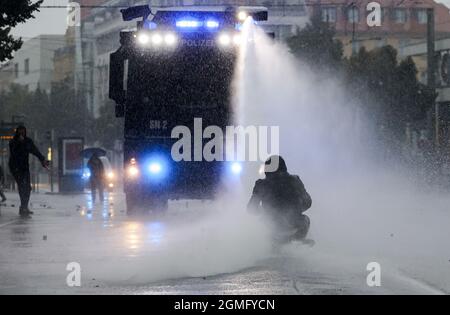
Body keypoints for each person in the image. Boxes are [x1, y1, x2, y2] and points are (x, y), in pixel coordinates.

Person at [248, 155, 312, 241]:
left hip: (271, 223)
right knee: (305, 220)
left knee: (261, 223)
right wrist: (296, 209)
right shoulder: (294, 180)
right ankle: (298, 243)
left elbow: (252, 208)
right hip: (294, 222)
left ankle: (293, 243)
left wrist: (265, 212)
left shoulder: (261, 184)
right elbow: (308, 202)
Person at [8, 126, 50, 217]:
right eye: (20, 132)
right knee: (22, 186)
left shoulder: (28, 141)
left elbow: (35, 151)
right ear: (17, 132)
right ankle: (23, 207)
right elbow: (13, 152)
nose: (22, 134)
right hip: (15, 167)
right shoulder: (13, 141)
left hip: (24, 167)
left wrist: (42, 159)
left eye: (23, 132)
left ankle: (24, 206)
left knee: (27, 188)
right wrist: (20, 143)